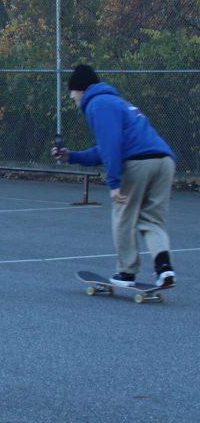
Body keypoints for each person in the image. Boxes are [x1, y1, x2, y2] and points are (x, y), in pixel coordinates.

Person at [53, 64, 176, 288]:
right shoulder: (117, 103)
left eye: (72, 94)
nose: (73, 99)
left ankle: (126, 272)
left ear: (81, 89)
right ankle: (164, 270)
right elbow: (105, 149)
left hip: (138, 163)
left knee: (123, 215)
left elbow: (111, 145)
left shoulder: (97, 105)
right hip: (164, 161)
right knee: (152, 220)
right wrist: (71, 156)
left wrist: (114, 183)